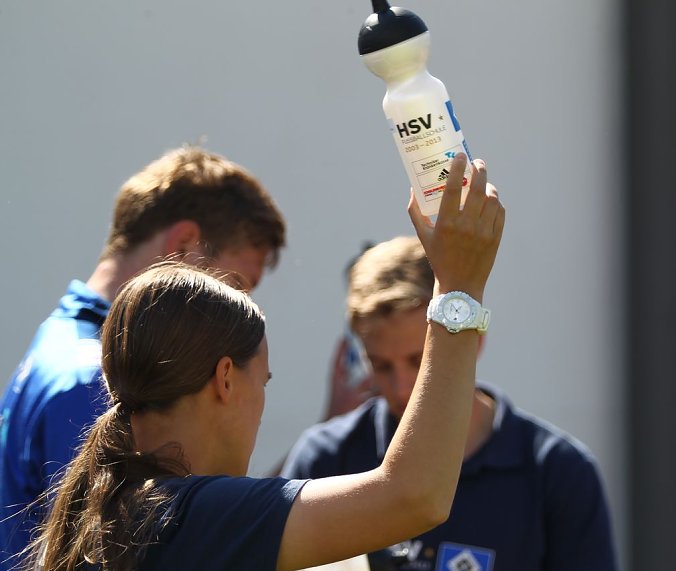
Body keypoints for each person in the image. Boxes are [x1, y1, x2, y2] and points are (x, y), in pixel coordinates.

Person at [27, 153, 504, 571]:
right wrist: (459, 287)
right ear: (226, 379)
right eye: (265, 382)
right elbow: (414, 495)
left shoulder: (100, 507)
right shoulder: (198, 514)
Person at [0, 146, 286, 569]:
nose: (238, 309)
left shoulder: (60, 340)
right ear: (183, 244)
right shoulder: (92, 376)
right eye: (234, 285)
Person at [281, 237, 618, 571]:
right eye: (380, 365)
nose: (401, 389)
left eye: (419, 361)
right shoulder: (326, 460)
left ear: (474, 339)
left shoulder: (558, 473)